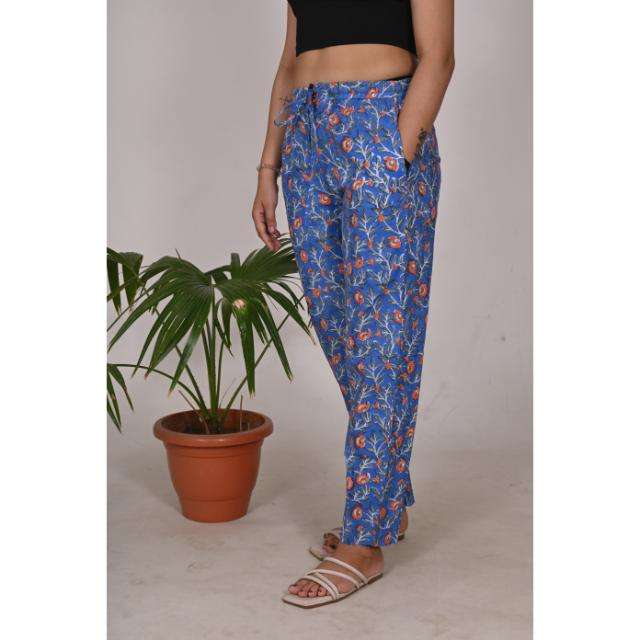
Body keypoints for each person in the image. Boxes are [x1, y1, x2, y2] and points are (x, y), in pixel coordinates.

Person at [251, 0, 454, 608]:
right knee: (336, 321)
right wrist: (269, 164)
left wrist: (397, 151)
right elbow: (290, 58)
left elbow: (439, 56)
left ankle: (364, 540)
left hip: (381, 124)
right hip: (307, 135)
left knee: (382, 336)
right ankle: (386, 498)